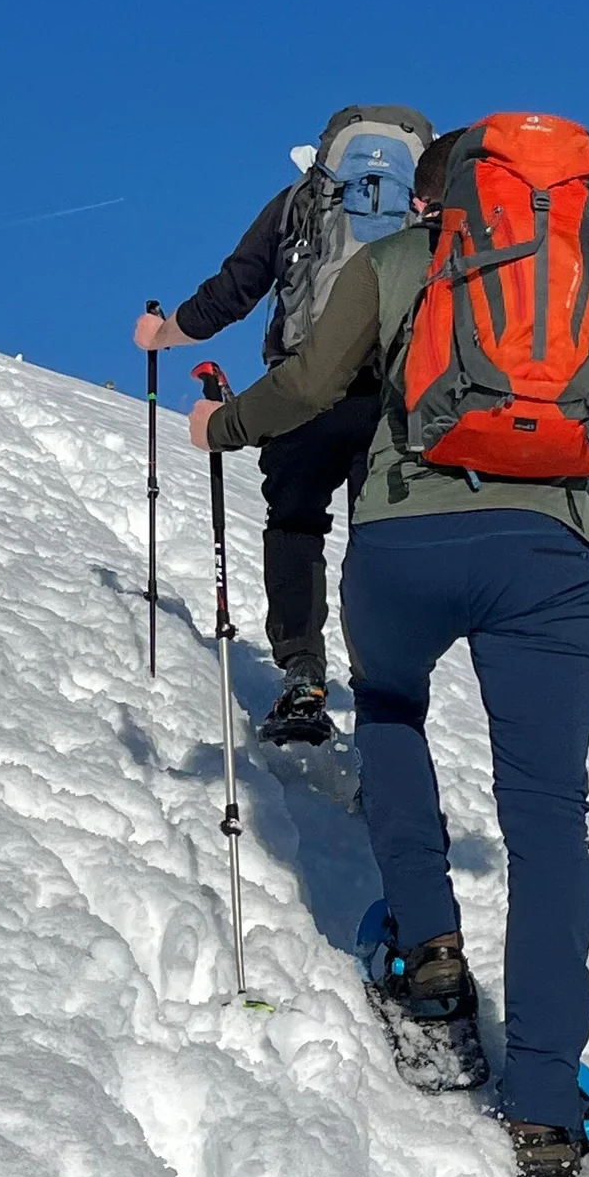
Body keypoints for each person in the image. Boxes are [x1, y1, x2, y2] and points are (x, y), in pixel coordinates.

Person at [188, 116, 589, 1177]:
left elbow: (305, 387)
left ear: (437, 199)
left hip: (402, 545)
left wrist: (221, 426)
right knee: (544, 816)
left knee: (388, 706)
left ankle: (428, 960)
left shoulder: (396, 263)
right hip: (550, 562)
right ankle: (543, 1104)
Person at [135, 104, 433, 746]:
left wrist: (165, 334)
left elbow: (237, 287)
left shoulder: (302, 201)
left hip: (303, 393)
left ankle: (303, 675)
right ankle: (382, 696)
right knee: (377, 544)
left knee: (295, 525)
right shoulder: (428, 215)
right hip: (397, 406)